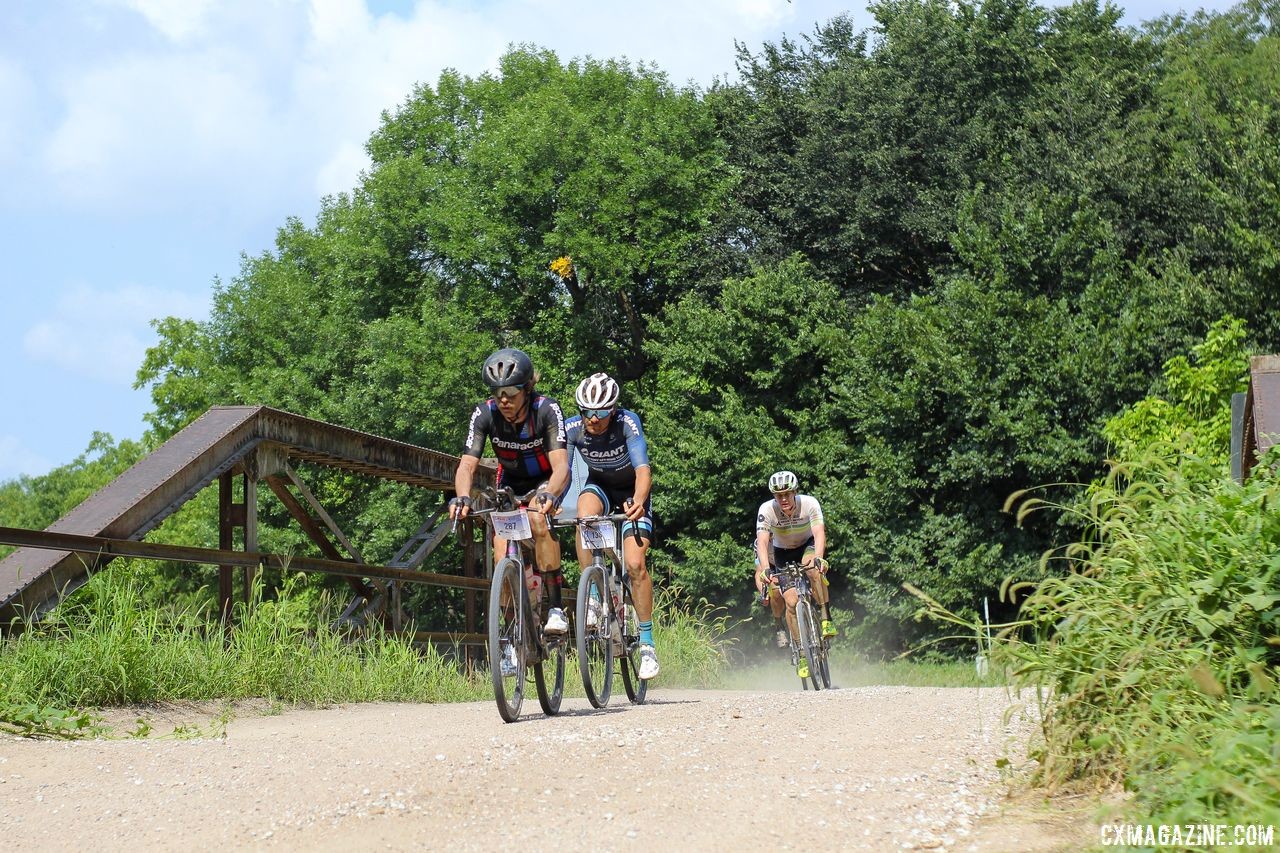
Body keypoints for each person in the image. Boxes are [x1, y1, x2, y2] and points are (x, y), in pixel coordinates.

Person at [449, 347, 572, 637]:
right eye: (497, 393)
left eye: (511, 394)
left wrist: (550, 494)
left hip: (546, 481)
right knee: (501, 549)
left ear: (527, 389)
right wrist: (463, 496)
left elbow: (562, 467)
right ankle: (510, 635)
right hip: (510, 483)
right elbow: (466, 465)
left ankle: (555, 607)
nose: (503, 400)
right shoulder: (484, 413)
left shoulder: (546, 410)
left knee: (538, 521)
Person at [564, 372, 660, 680]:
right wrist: (550, 498)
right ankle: (593, 593)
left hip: (632, 492)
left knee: (635, 564)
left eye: (601, 412)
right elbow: (562, 472)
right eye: (586, 411)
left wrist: (639, 501)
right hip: (601, 487)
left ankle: (646, 643)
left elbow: (643, 470)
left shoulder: (627, 423)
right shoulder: (572, 428)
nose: (593, 418)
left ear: (614, 409)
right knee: (584, 514)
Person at [753, 470, 835, 677]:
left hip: (806, 546)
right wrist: (765, 570)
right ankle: (801, 653)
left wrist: (819, 556)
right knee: (790, 602)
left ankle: (826, 618)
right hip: (782, 553)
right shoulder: (767, 509)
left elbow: (819, 532)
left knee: (814, 568)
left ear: (795, 492)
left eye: (787, 494)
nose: (783, 499)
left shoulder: (809, 504)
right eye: (778, 496)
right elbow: (762, 542)